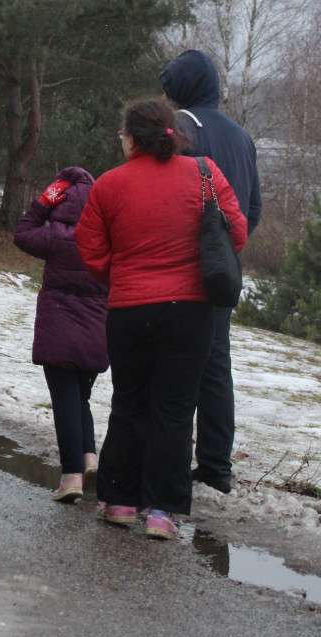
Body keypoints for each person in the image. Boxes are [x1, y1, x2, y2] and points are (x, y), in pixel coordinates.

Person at [74, 99, 247, 540]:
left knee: (130, 403)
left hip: (129, 311)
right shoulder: (205, 173)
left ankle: (118, 501)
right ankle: (161, 511)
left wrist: (124, 276)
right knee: (174, 408)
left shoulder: (110, 185)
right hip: (190, 313)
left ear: (132, 137)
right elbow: (237, 233)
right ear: (171, 134)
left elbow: (90, 249)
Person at [159, 49, 263, 495]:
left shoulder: (180, 126)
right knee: (216, 365)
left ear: (181, 88)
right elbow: (252, 207)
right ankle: (217, 466)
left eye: (169, 86)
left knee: (171, 362)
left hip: (177, 265)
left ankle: (168, 460)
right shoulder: (242, 138)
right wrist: (227, 246)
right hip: (223, 269)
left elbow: (161, 192)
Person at [13, 167, 107, 503]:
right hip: (98, 330)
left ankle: (71, 477)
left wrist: (43, 202)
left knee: (66, 401)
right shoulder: (106, 238)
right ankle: (89, 457)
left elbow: (22, 233)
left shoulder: (53, 236)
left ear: (61, 201)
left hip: (59, 328)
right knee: (79, 397)